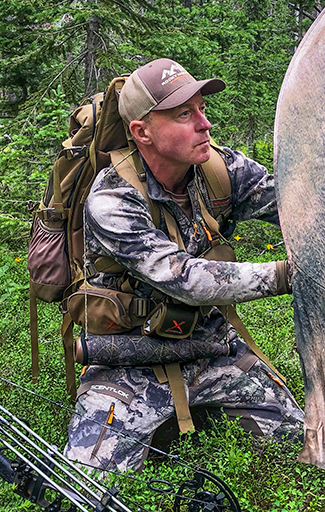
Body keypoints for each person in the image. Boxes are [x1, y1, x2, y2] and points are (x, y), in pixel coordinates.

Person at [63, 58, 303, 472]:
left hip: (211, 346)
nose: (204, 124)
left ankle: (189, 416)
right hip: (128, 358)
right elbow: (186, 279)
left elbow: (301, 207)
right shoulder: (112, 198)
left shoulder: (220, 168)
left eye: (202, 109)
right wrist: (287, 275)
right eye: (184, 114)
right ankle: (161, 419)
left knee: (300, 444)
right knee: (87, 484)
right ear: (142, 132)